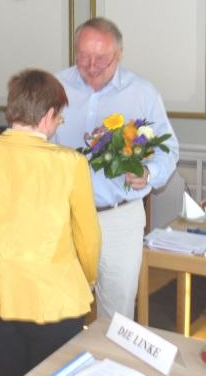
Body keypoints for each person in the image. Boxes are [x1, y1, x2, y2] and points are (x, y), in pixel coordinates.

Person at [0, 69, 101, 376]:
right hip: (53, 296)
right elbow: (87, 237)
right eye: (59, 118)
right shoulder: (69, 163)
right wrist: (86, 276)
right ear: (48, 114)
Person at [53, 17, 179, 320]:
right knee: (60, 311)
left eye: (101, 58)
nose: (91, 65)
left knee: (116, 317)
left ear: (119, 55)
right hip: (62, 217)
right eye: (83, 56)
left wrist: (148, 174)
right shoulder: (54, 88)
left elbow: (169, 149)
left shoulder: (143, 93)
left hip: (118, 218)